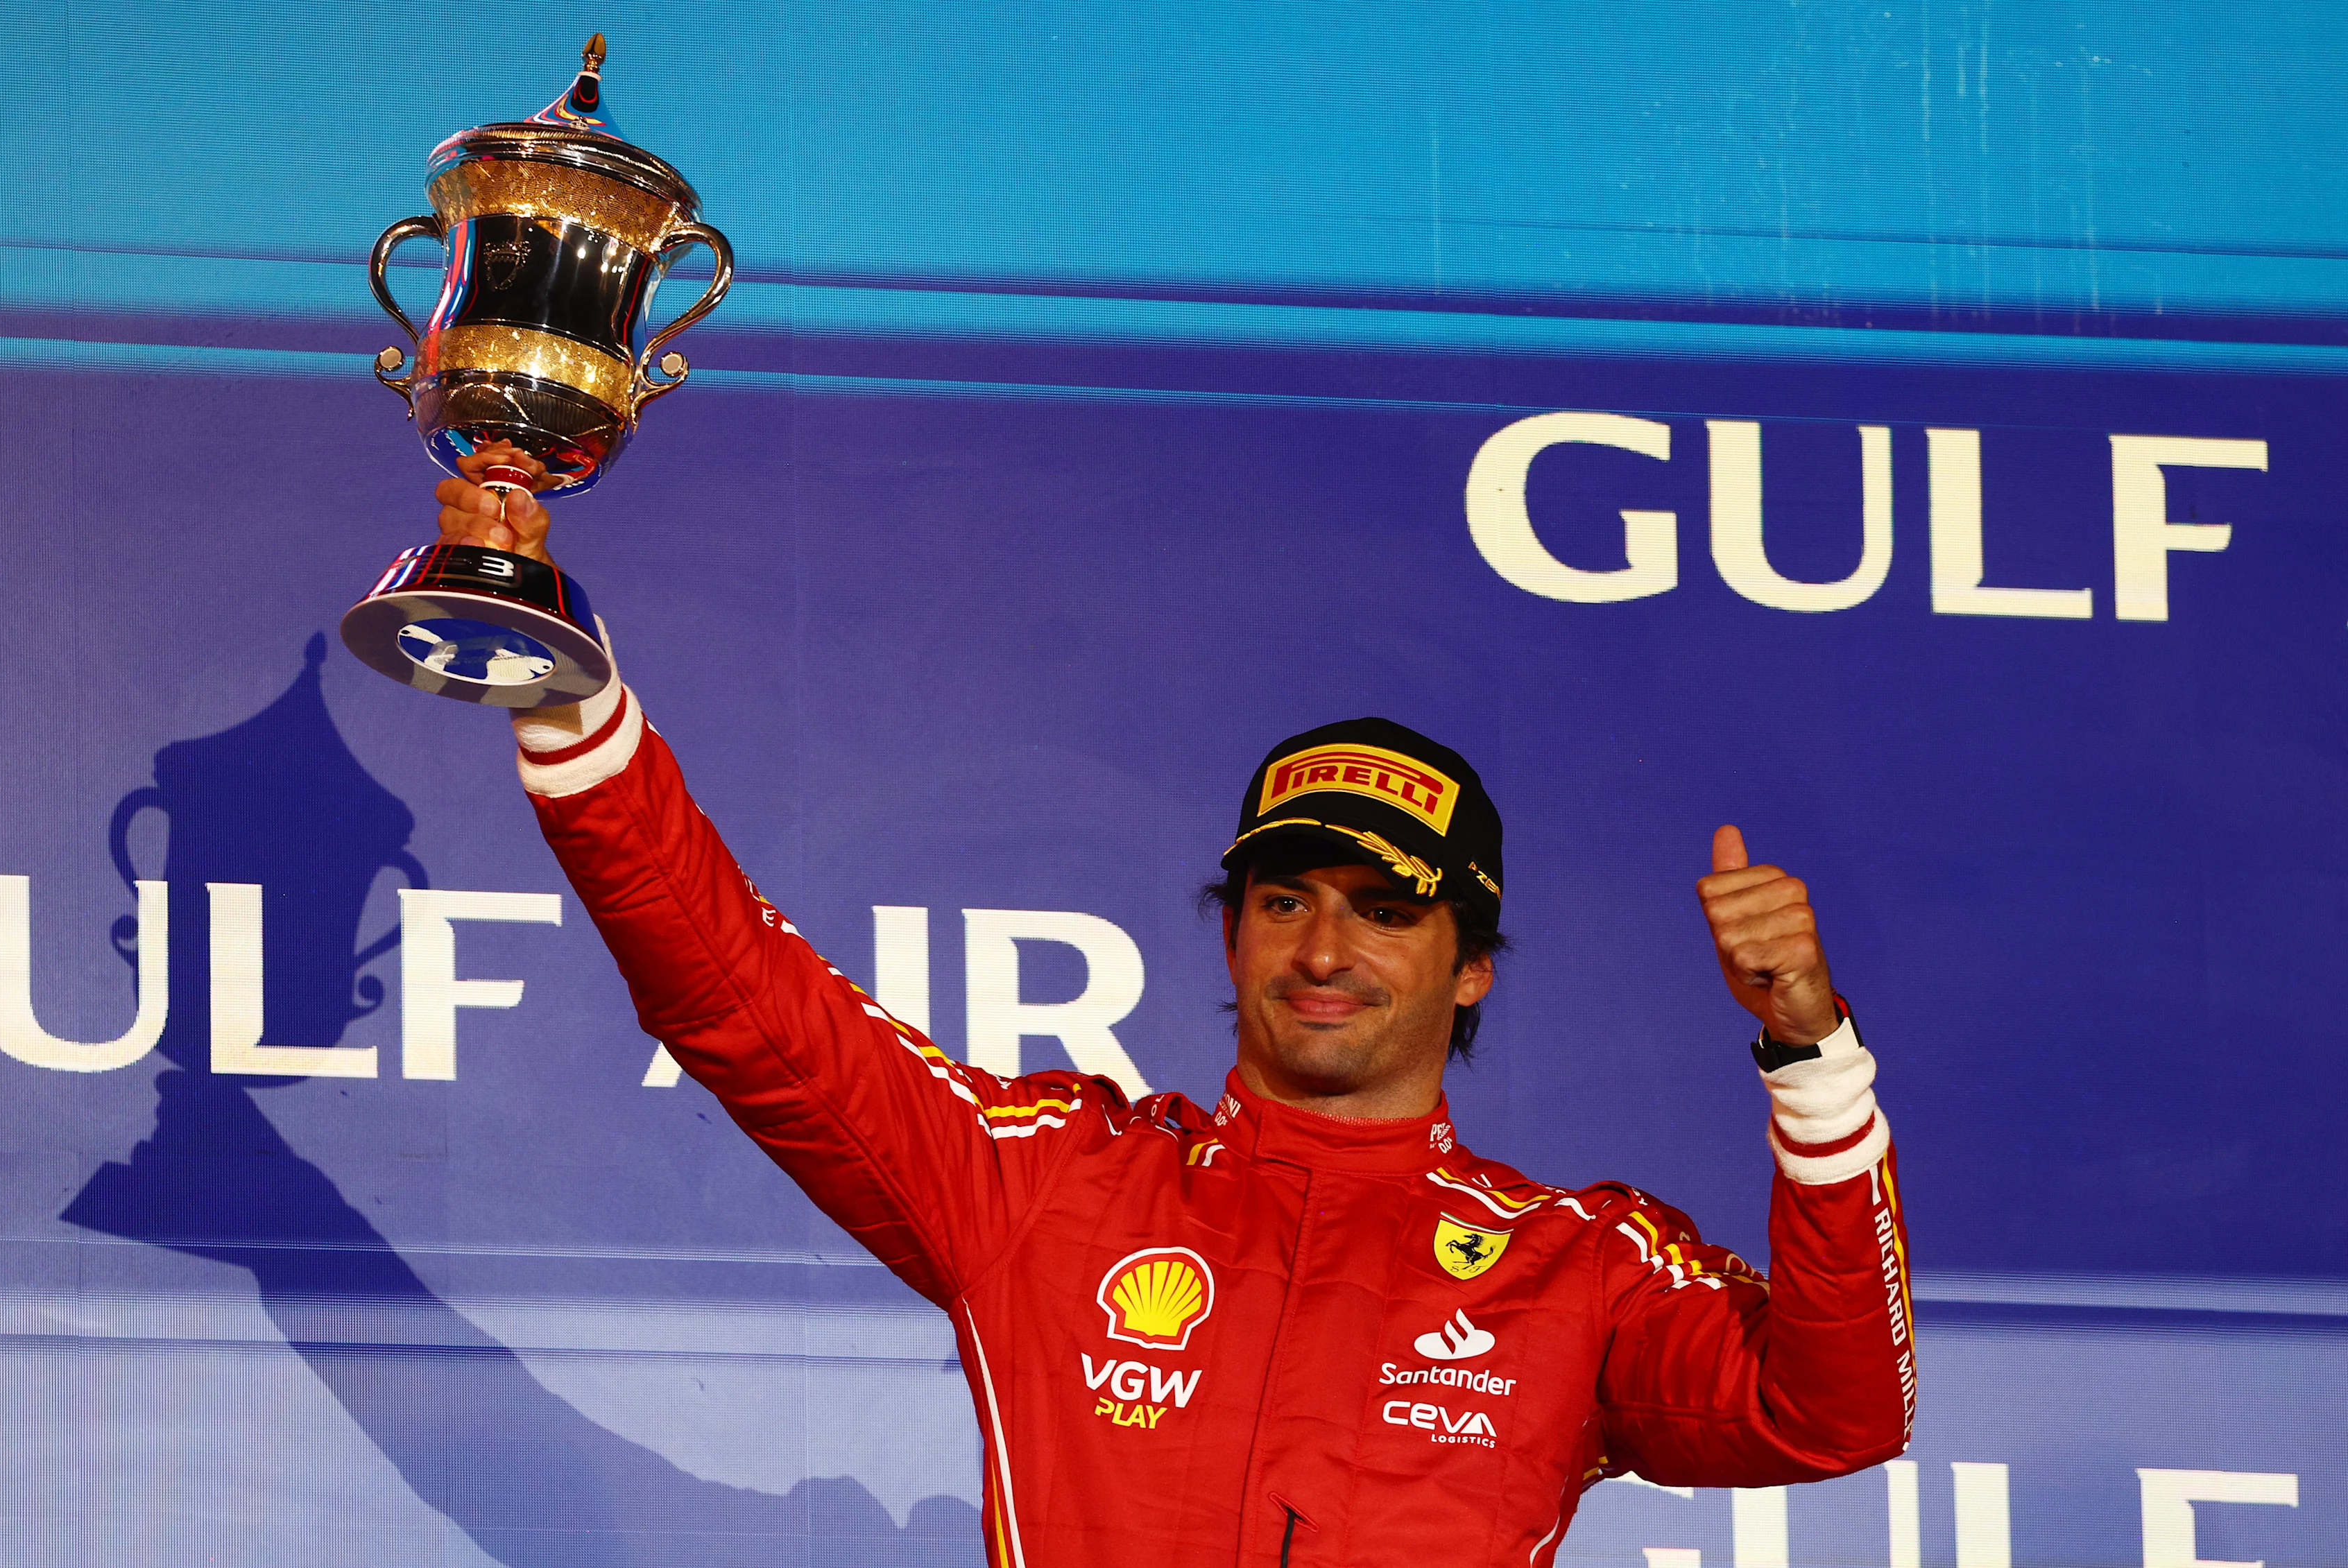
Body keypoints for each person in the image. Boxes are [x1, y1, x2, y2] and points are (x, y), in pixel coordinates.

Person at [436, 449, 1914, 1567]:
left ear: (1471, 964)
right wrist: (568, 707)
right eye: (1285, 898)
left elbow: (1832, 1408)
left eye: (1386, 908)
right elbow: (740, 1000)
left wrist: (1808, 1054)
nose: (1324, 945)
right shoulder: (1049, 1179)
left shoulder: (1573, 1269)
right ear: (1229, 933)